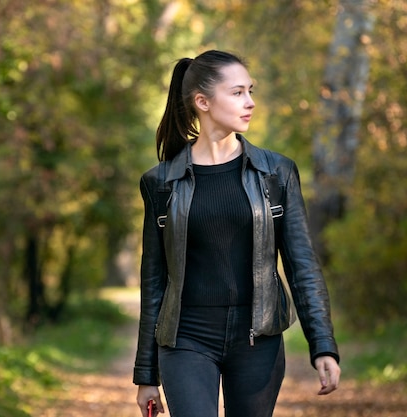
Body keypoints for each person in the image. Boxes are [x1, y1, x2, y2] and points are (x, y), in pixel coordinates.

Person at [133, 50, 340, 417]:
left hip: (257, 340)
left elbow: (302, 265)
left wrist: (322, 345)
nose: (251, 102)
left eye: (251, 91)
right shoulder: (161, 183)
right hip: (185, 339)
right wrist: (146, 374)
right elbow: (154, 280)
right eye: (238, 92)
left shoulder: (276, 173)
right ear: (203, 102)